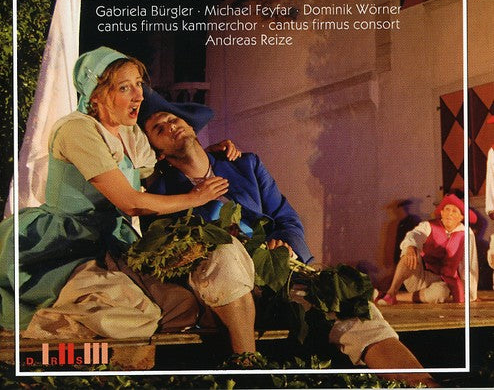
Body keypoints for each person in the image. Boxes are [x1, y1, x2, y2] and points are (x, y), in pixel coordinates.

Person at [138, 86, 439, 386]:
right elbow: (170, 252)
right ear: (158, 152)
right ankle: (249, 373)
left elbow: (287, 218)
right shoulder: (161, 194)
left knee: (351, 304)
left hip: (281, 276)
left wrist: (287, 247)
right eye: (159, 129)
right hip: (225, 291)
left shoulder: (245, 165)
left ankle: (422, 383)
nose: (170, 126)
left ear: (192, 127)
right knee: (226, 252)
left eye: (174, 119)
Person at [0, 46, 257, 357]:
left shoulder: (130, 133)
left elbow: (159, 169)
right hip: (65, 246)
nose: (138, 95)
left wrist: (199, 149)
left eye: (138, 84)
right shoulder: (76, 129)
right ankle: (46, 328)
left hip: (113, 245)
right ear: (96, 94)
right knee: (136, 317)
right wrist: (195, 197)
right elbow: (130, 203)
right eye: (124, 88)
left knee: (183, 307)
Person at [377, 193, 478, 305]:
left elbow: (470, 264)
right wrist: (411, 247)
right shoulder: (429, 225)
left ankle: (392, 297)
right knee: (410, 251)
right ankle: (391, 292)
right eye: (447, 210)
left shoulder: (466, 233)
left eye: (454, 211)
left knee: (441, 292)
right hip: (420, 276)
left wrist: (471, 294)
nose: (449, 214)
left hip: (445, 282)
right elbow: (415, 234)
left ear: (461, 217)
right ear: (442, 212)